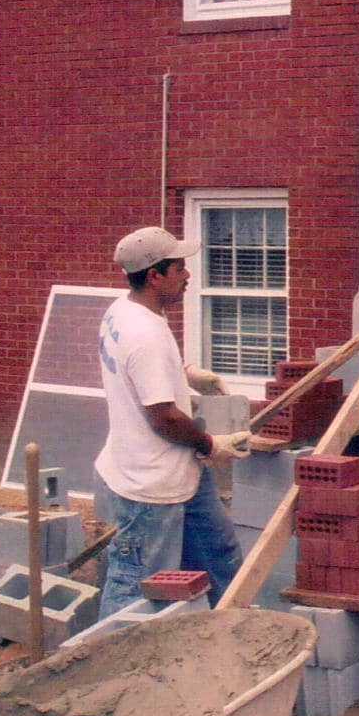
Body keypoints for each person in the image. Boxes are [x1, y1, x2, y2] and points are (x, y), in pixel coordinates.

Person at [95, 227, 254, 619]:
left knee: (219, 556)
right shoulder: (143, 332)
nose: (188, 276)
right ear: (154, 275)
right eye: (179, 268)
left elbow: (139, 374)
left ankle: (228, 636)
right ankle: (108, 665)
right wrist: (209, 444)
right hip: (151, 486)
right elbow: (163, 417)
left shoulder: (123, 310)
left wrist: (184, 374)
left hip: (177, 472)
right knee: (133, 588)